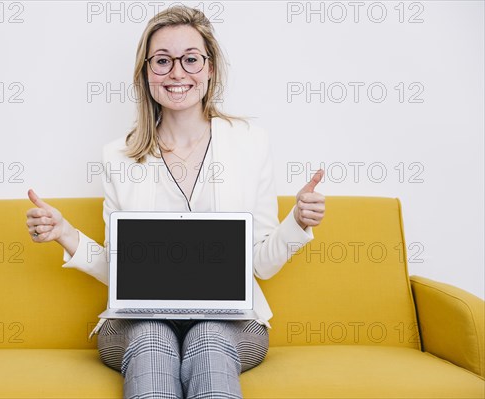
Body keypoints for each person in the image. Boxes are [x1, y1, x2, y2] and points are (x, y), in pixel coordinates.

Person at [25, 5, 325, 399]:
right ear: (146, 72)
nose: (177, 73)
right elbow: (122, 272)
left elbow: (260, 265)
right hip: (137, 320)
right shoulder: (119, 155)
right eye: (163, 61)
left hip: (232, 321)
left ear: (211, 67)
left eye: (191, 59)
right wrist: (65, 234)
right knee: (152, 341)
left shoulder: (249, 142)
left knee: (208, 340)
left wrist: (298, 223)